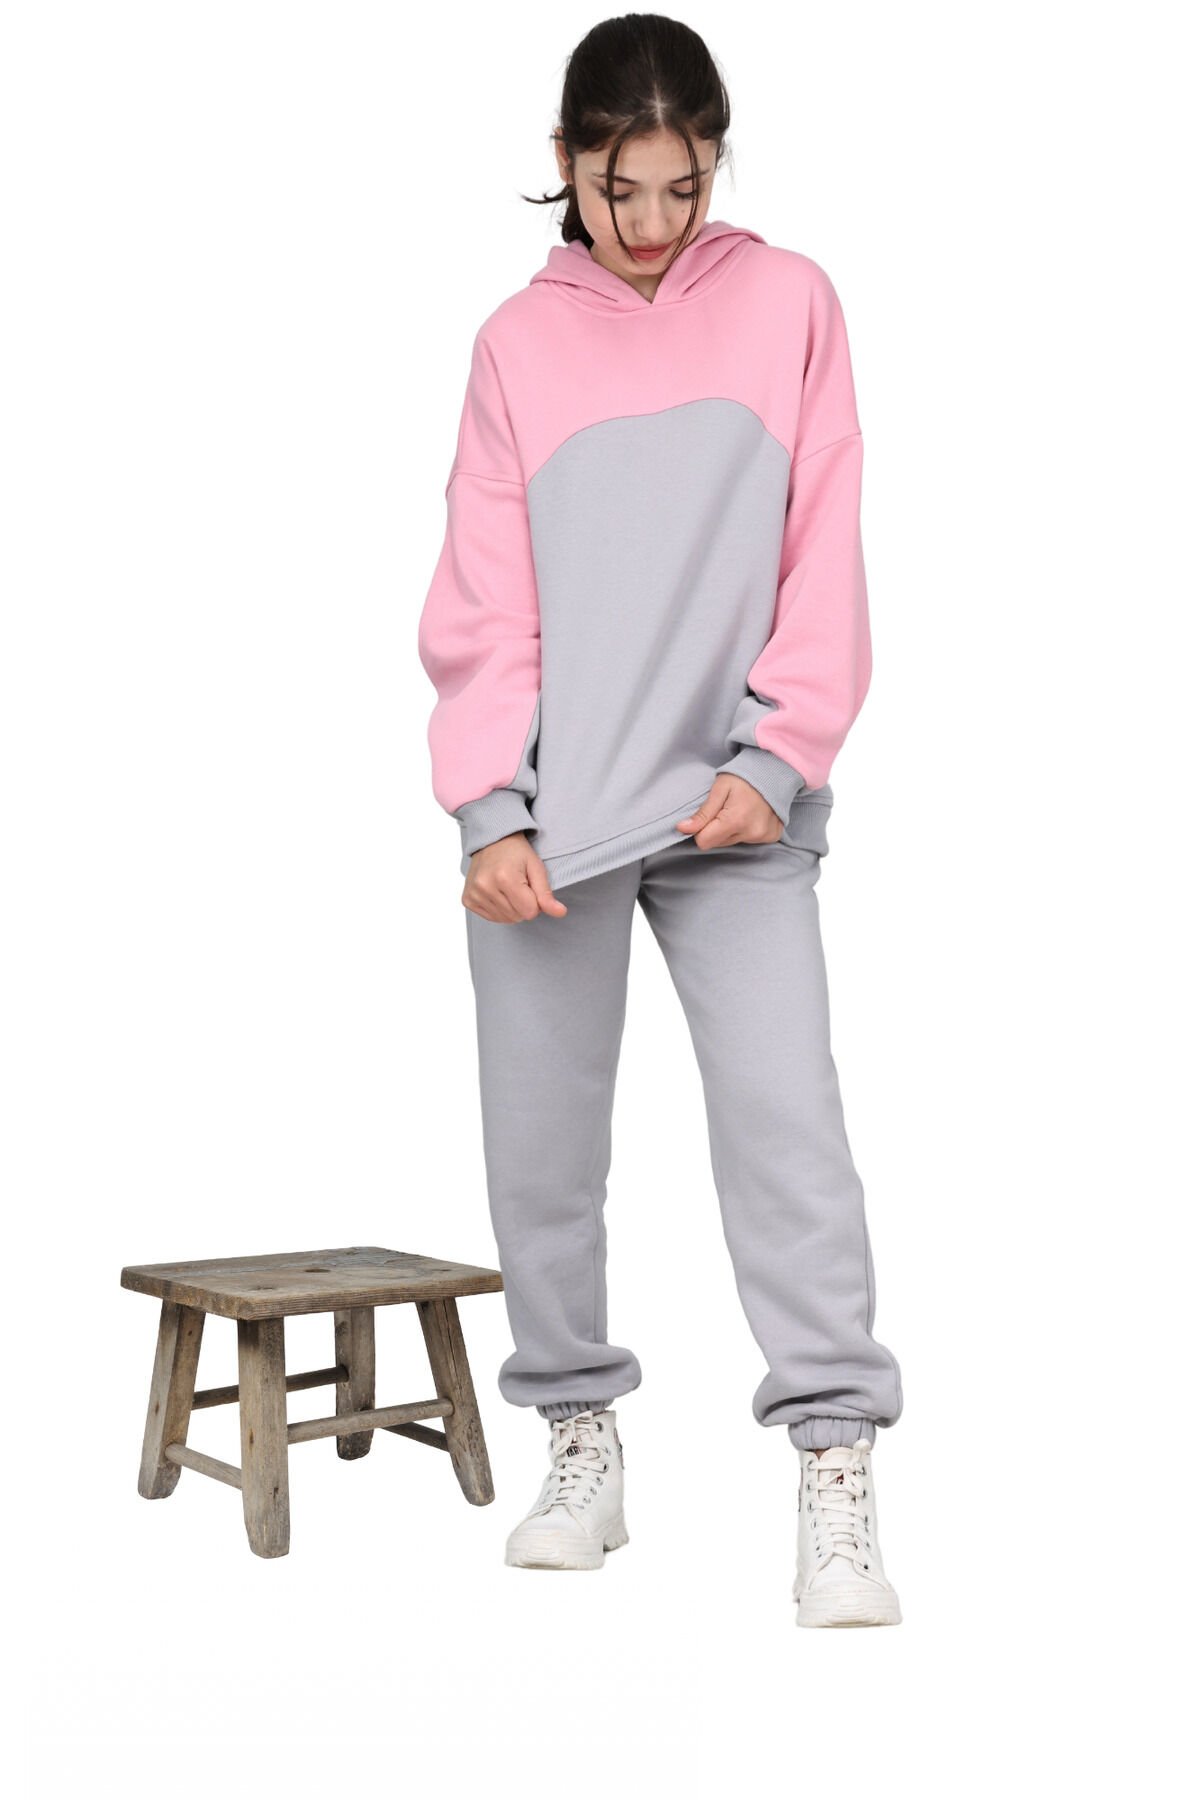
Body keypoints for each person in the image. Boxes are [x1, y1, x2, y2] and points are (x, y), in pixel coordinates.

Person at [416, 14, 904, 1627]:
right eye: (617, 188)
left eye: (682, 187)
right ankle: (579, 1439)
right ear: (564, 164)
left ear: (715, 163)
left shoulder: (791, 303)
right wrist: (488, 806)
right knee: (543, 1154)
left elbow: (825, 542)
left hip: (739, 809)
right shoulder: (516, 343)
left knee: (788, 1132)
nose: (648, 222)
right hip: (556, 821)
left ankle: (836, 1466)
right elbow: (487, 592)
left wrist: (781, 753)